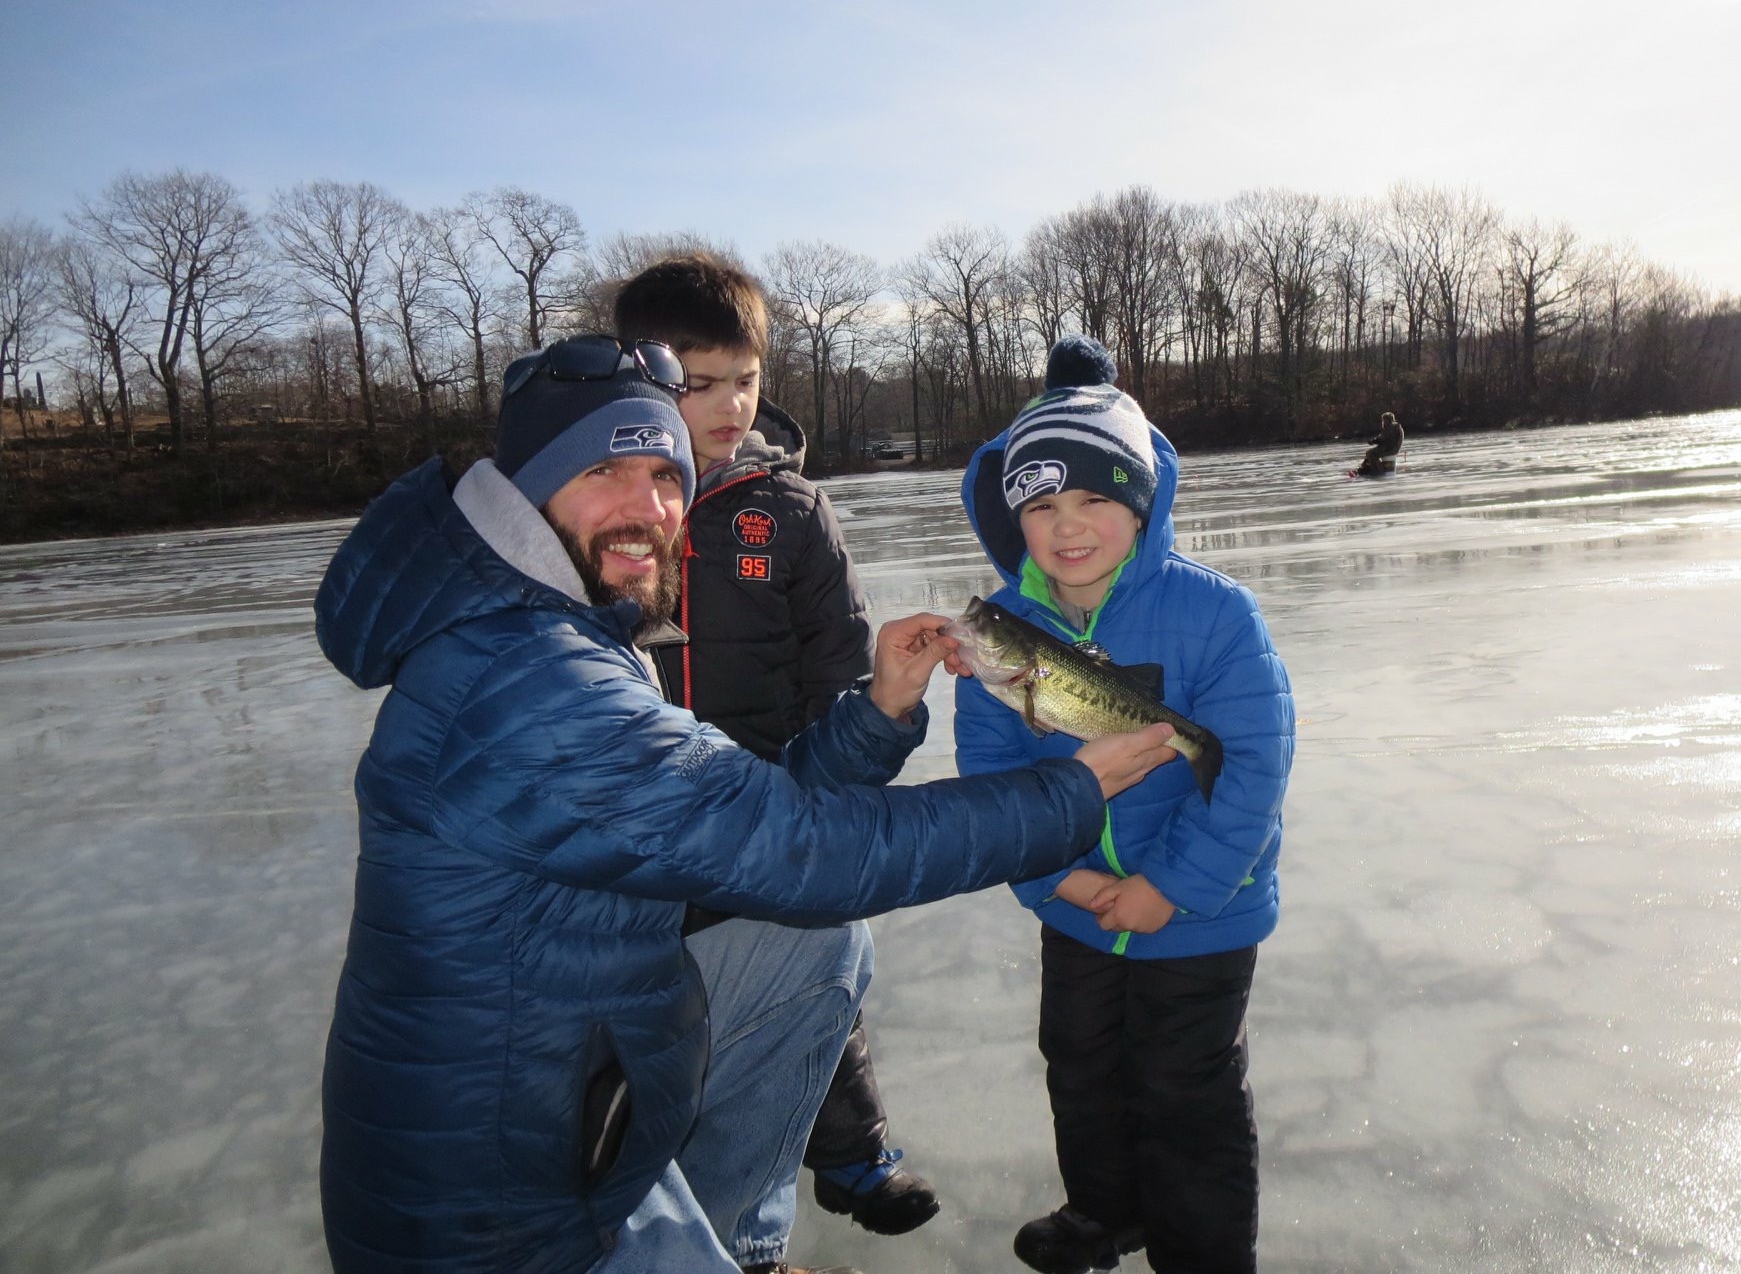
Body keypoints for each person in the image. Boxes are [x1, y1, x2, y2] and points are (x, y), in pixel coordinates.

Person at [311, 333, 1180, 1274]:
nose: (647, 509)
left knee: (809, 942)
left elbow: (737, 824)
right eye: (603, 469)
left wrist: (881, 710)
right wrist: (1072, 791)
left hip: (564, 1111)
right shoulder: (528, 681)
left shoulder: (544, 624)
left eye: (665, 476)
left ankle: (737, 1247)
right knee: (816, 906)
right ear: (526, 485)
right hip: (501, 1230)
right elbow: (805, 854)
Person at [612, 253, 940, 1240]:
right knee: (665, 1030)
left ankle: (841, 1162)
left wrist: (840, 765)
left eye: (742, 380)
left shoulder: (788, 511)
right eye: (696, 383)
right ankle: (669, 1210)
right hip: (643, 823)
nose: (725, 404)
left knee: (814, 977)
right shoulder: (607, 508)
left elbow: (837, 664)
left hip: (768, 797)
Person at [955, 335, 1296, 1274]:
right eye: (1043, 505)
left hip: (1200, 910)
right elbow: (994, 784)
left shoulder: (1214, 614)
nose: (1069, 526)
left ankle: (1202, 1254)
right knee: (1081, 1069)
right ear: (1012, 516)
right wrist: (1058, 882)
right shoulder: (998, 635)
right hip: (1074, 911)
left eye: (1096, 498)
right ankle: (1103, 1212)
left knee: (1186, 1090)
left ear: (1141, 500)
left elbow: (1253, 770)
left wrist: (1166, 888)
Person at [1357, 409, 1404, 475]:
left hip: (1390, 449)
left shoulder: (1392, 427)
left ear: (1388, 420)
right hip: (1390, 448)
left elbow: (1383, 439)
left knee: (1370, 453)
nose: (1383, 422)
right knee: (1371, 454)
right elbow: (1384, 438)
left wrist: (1373, 441)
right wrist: (1375, 441)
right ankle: (1372, 468)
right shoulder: (1395, 426)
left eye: (1384, 420)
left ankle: (1379, 471)